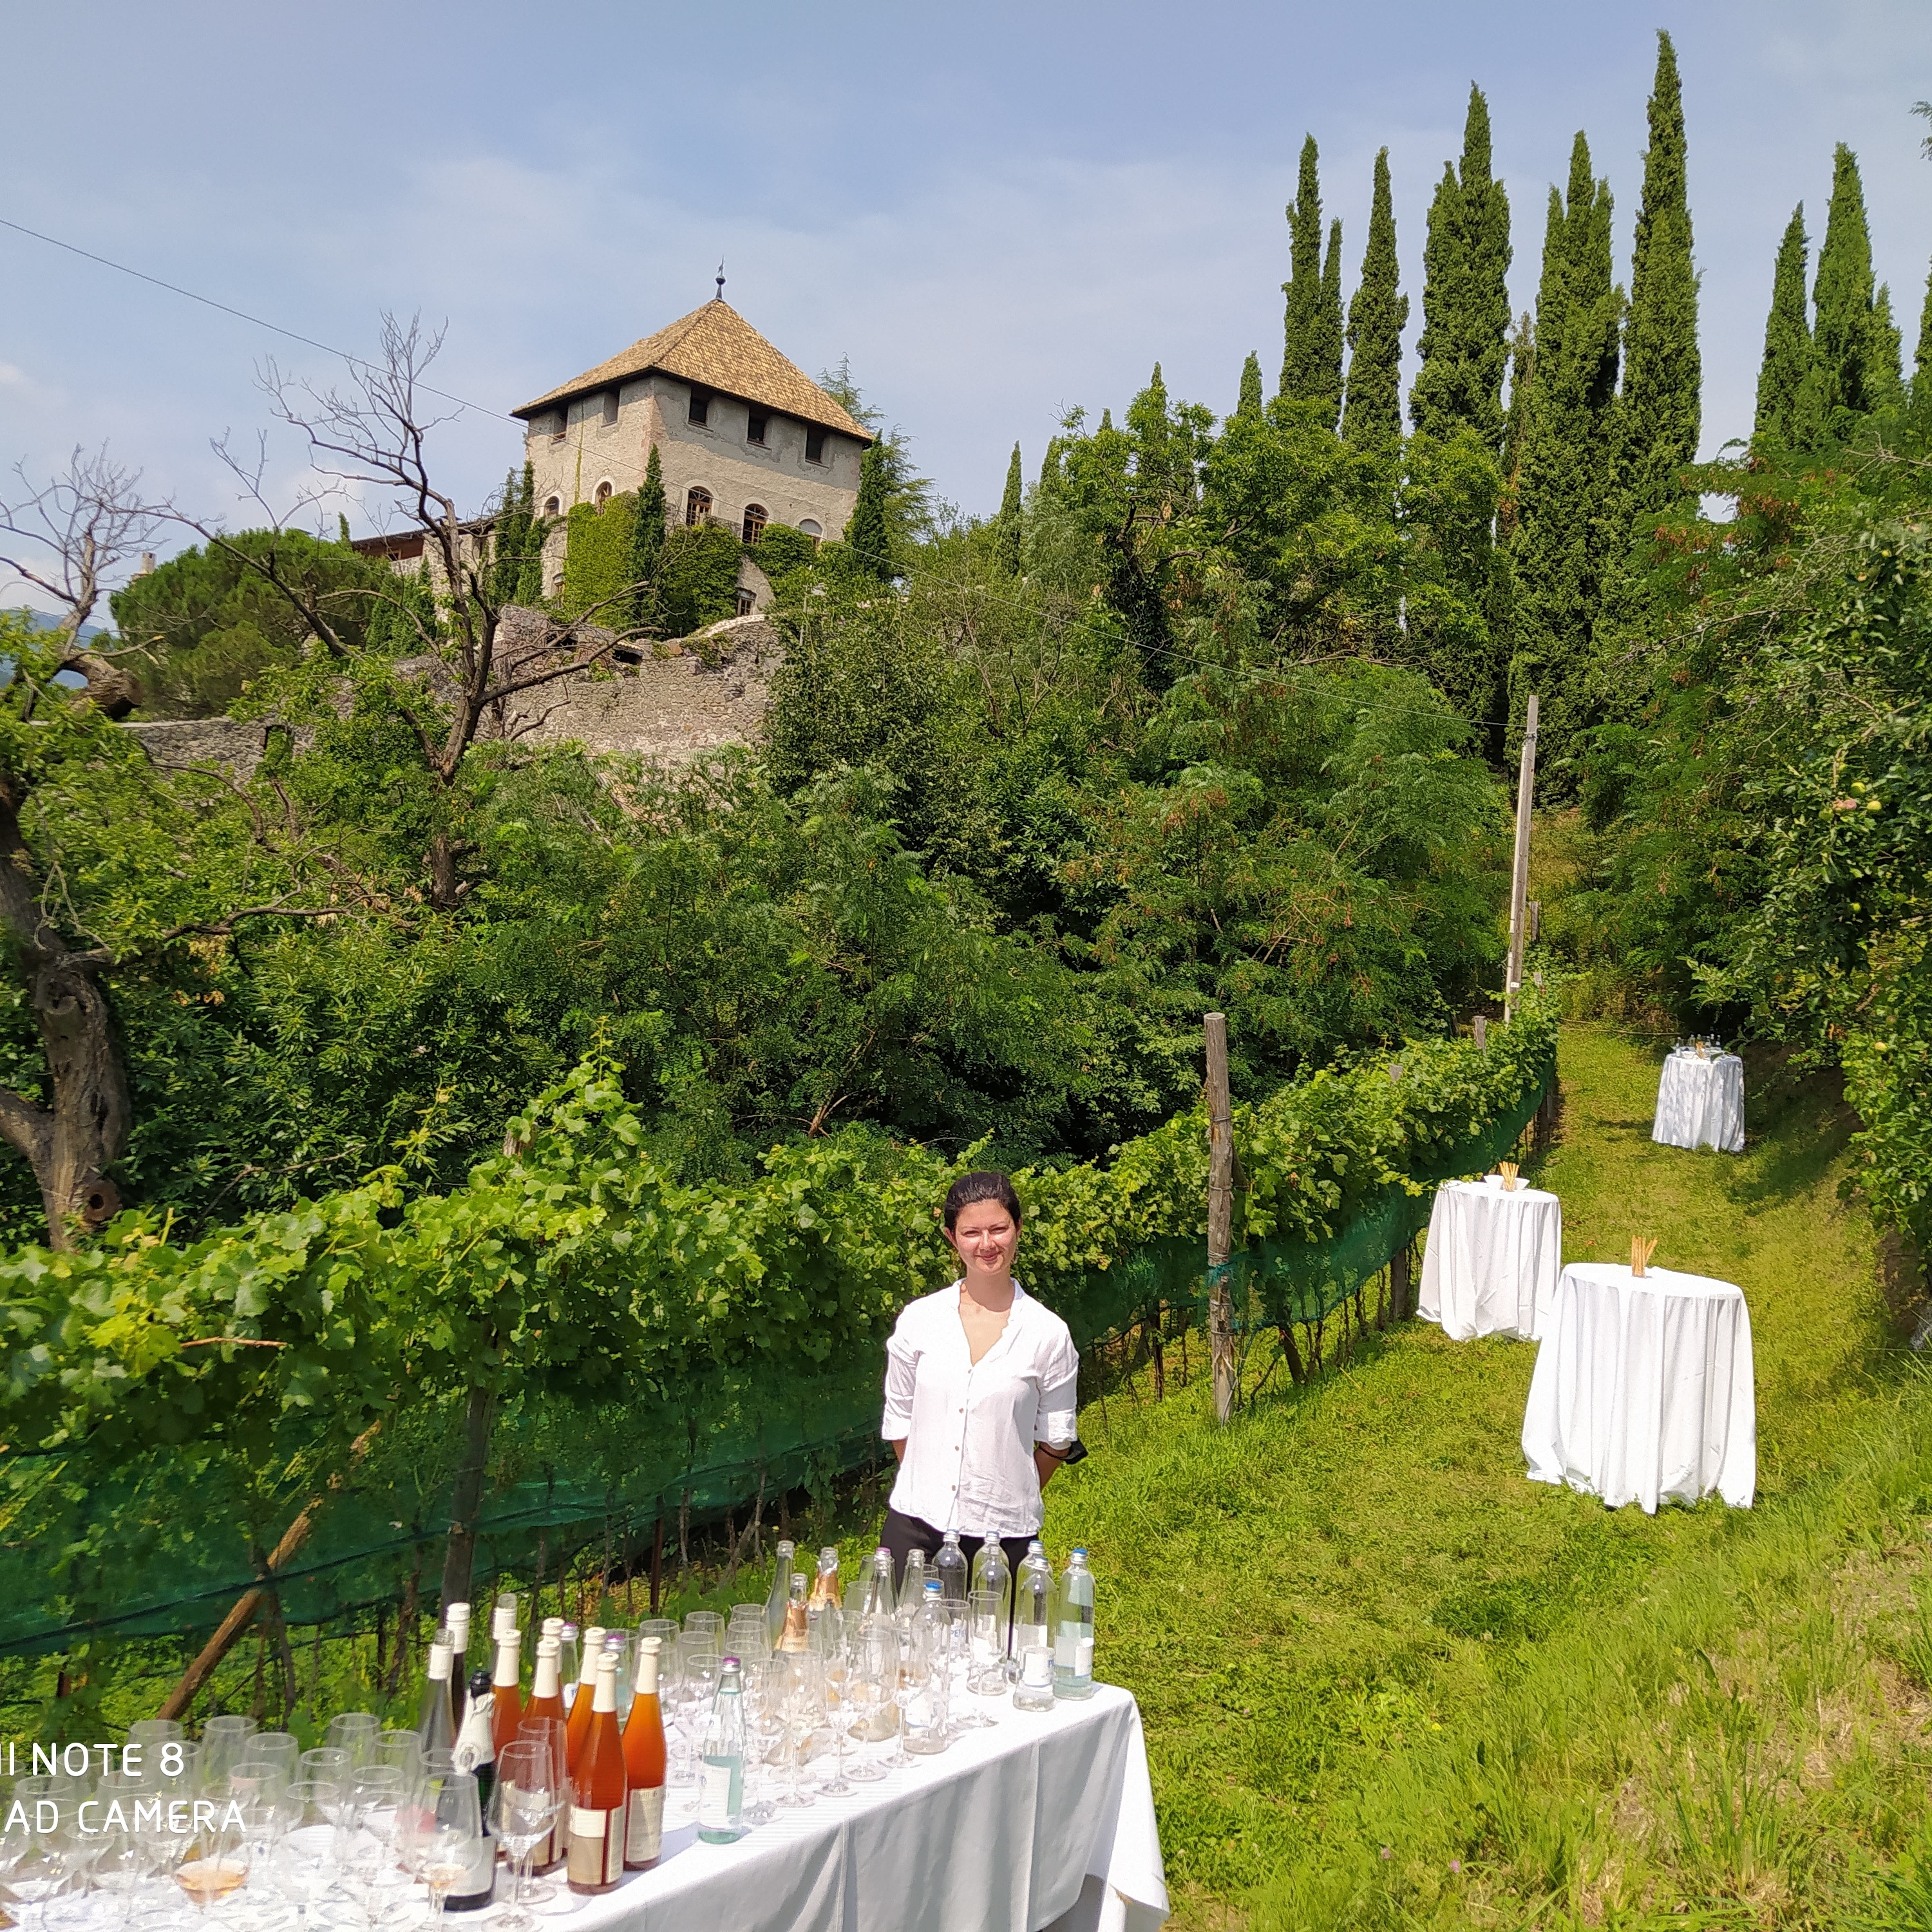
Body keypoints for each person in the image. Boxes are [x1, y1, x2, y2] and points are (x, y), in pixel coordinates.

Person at [879, 1170, 1080, 1600]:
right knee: (901, 1655)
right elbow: (899, 1420)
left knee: (993, 1655)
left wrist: (1004, 1488)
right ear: (952, 1238)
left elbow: (1058, 1438)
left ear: (1018, 1230)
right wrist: (930, 1484)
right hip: (915, 1529)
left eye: (999, 1229)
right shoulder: (921, 1321)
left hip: (1002, 1537)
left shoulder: (1048, 1333)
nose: (987, 1244)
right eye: (971, 1232)